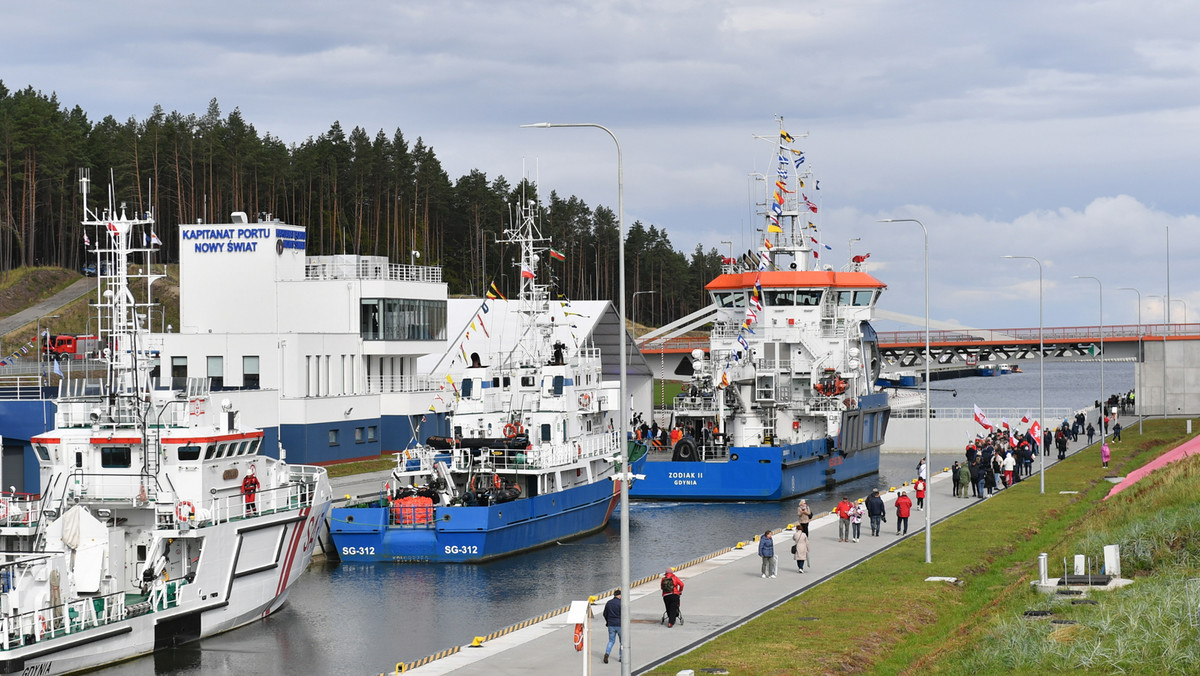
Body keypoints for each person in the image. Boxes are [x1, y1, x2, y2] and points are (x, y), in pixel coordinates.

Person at [603, 589, 621, 663]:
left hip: (611, 625)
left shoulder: (609, 603)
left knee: (611, 641)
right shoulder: (621, 603)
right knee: (622, 642)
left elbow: (605, 614)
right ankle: (621, 657)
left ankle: (607, 653)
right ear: (619, 595)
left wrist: (608, 621)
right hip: (620, 625)